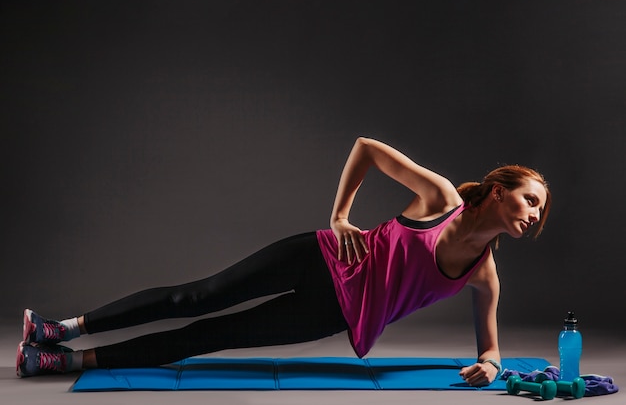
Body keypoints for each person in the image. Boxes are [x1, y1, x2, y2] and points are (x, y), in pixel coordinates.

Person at [17, 136, 550, 387]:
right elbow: (365, 147)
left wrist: (491, 365)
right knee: (197, 296)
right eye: (530, 199)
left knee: (207, 336)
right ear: (499, 190)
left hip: (333, 314)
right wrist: (342, 217)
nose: (534, 214)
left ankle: (65, 361)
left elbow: (491, 346)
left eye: (541, 210)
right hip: (318, 257)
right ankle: (61, 329)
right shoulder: (439, 200)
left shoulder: (484, 272)